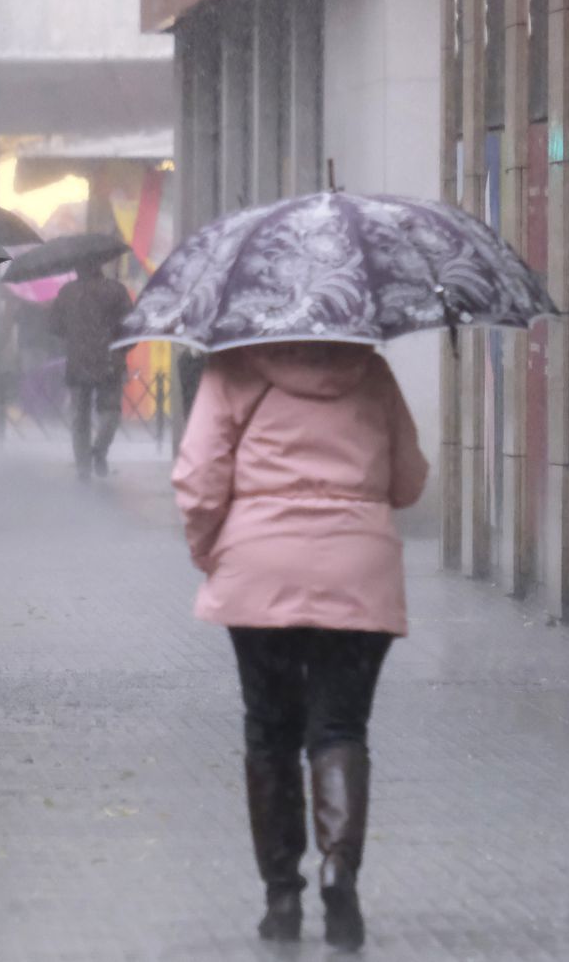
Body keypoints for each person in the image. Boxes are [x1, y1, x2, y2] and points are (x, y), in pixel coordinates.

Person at [171, 342, 428, 950]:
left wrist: (211, 551)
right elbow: (409, 480)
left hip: (260, 567)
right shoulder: (370, 369)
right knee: (340, 727)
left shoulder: (234, 367)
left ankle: (282, 897)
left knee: (270, 730)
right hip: (358, 569)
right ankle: (340, 868)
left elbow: (199, 478)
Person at [48, 262, 131, 479]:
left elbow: (54, 327)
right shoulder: (116, 290)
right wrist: (122, 350)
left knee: (80, 416)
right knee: (111, 412)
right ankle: (99, 451)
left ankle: (83, 466)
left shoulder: (67, 292)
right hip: (110, 360)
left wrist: (74, 334)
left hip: (78, 361)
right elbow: (131, 325)